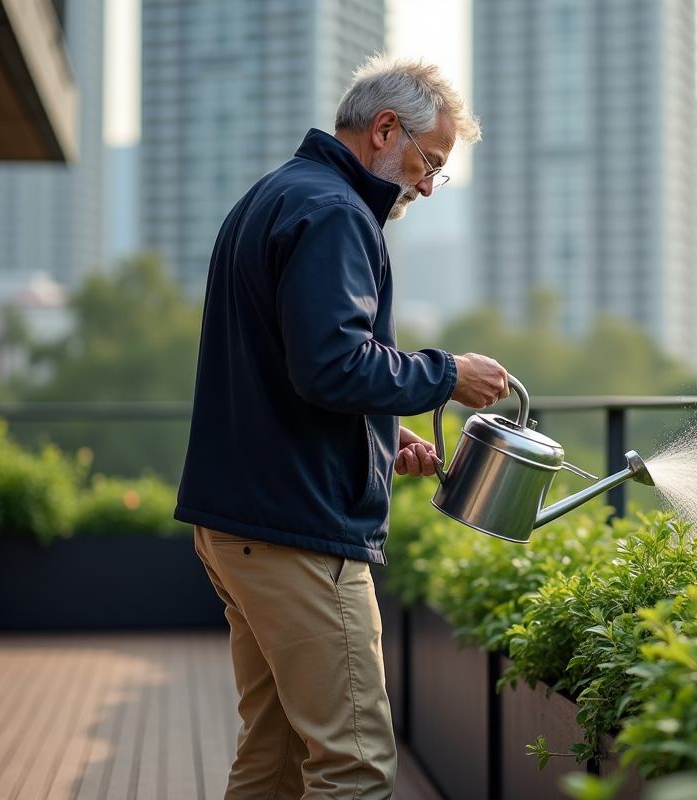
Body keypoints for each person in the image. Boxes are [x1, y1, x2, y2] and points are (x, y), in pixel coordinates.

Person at [175, 56, 508, 800]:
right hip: (298, 533)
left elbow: (287, 374)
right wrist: (447, 375)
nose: (427, 186)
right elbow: (329, 367)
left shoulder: (276, 195)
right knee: (353, 763)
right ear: (384, 130)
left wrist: (384, 443)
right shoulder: (334, 213)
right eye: (429, 164)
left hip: (240, 524)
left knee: (276, 758)